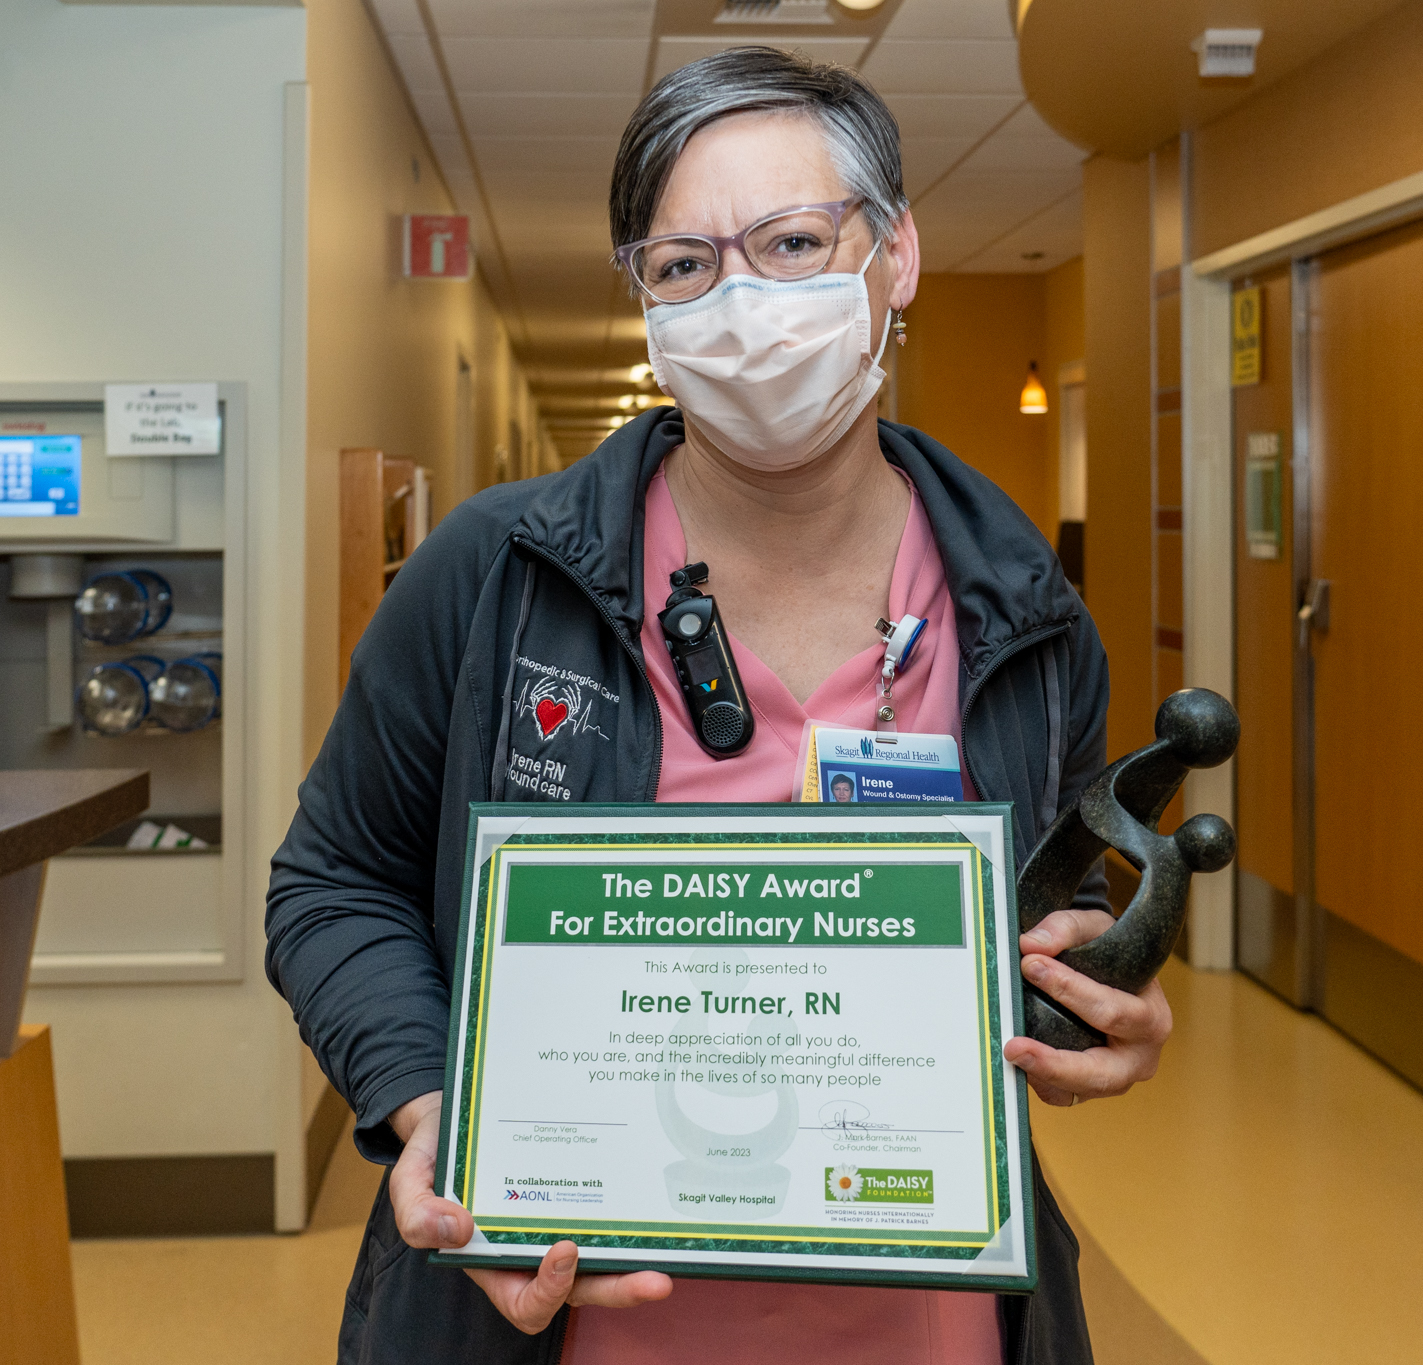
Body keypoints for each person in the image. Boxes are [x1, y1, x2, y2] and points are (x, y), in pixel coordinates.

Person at [266, 45, 1172, 1365]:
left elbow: (1038, 918)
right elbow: (334, 877)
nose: (744, 303)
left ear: (897, 256)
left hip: (928, 1318)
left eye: (795, 241)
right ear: (645, 297)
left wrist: (1090, 1001)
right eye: (685, 265)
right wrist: (434, 1109)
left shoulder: (1023, 615)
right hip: (562, 1319)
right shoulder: (497, 579)